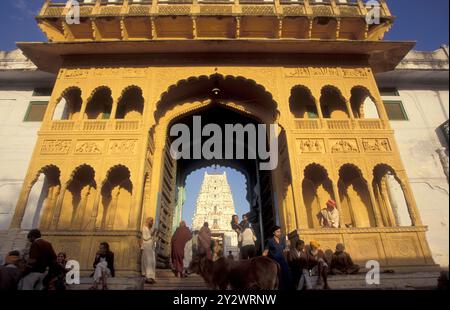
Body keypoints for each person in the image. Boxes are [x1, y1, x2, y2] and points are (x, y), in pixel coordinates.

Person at [263, 226, 292, 290]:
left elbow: (285, 250)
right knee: (278, 278)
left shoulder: (282, 240)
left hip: (282, 261)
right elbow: (265, 252)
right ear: (274, 232)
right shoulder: (270, 241)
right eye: (277, 232)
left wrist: (288, 245)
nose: (279, 233)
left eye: (280, 232)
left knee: (288, 275)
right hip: (274, 262)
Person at [141, 217, 158, 284]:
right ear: (148, 221)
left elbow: (153, 239)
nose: (152, 223)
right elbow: (145, 237)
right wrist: (152, 233)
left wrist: (155, 234)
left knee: (152, 262)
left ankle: (152, 277)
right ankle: (147, 277)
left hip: (151, 248)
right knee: (147, 262)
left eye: (152, 221)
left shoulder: (150, 229)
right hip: (146, 247)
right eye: (151, 221)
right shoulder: (144, 228)